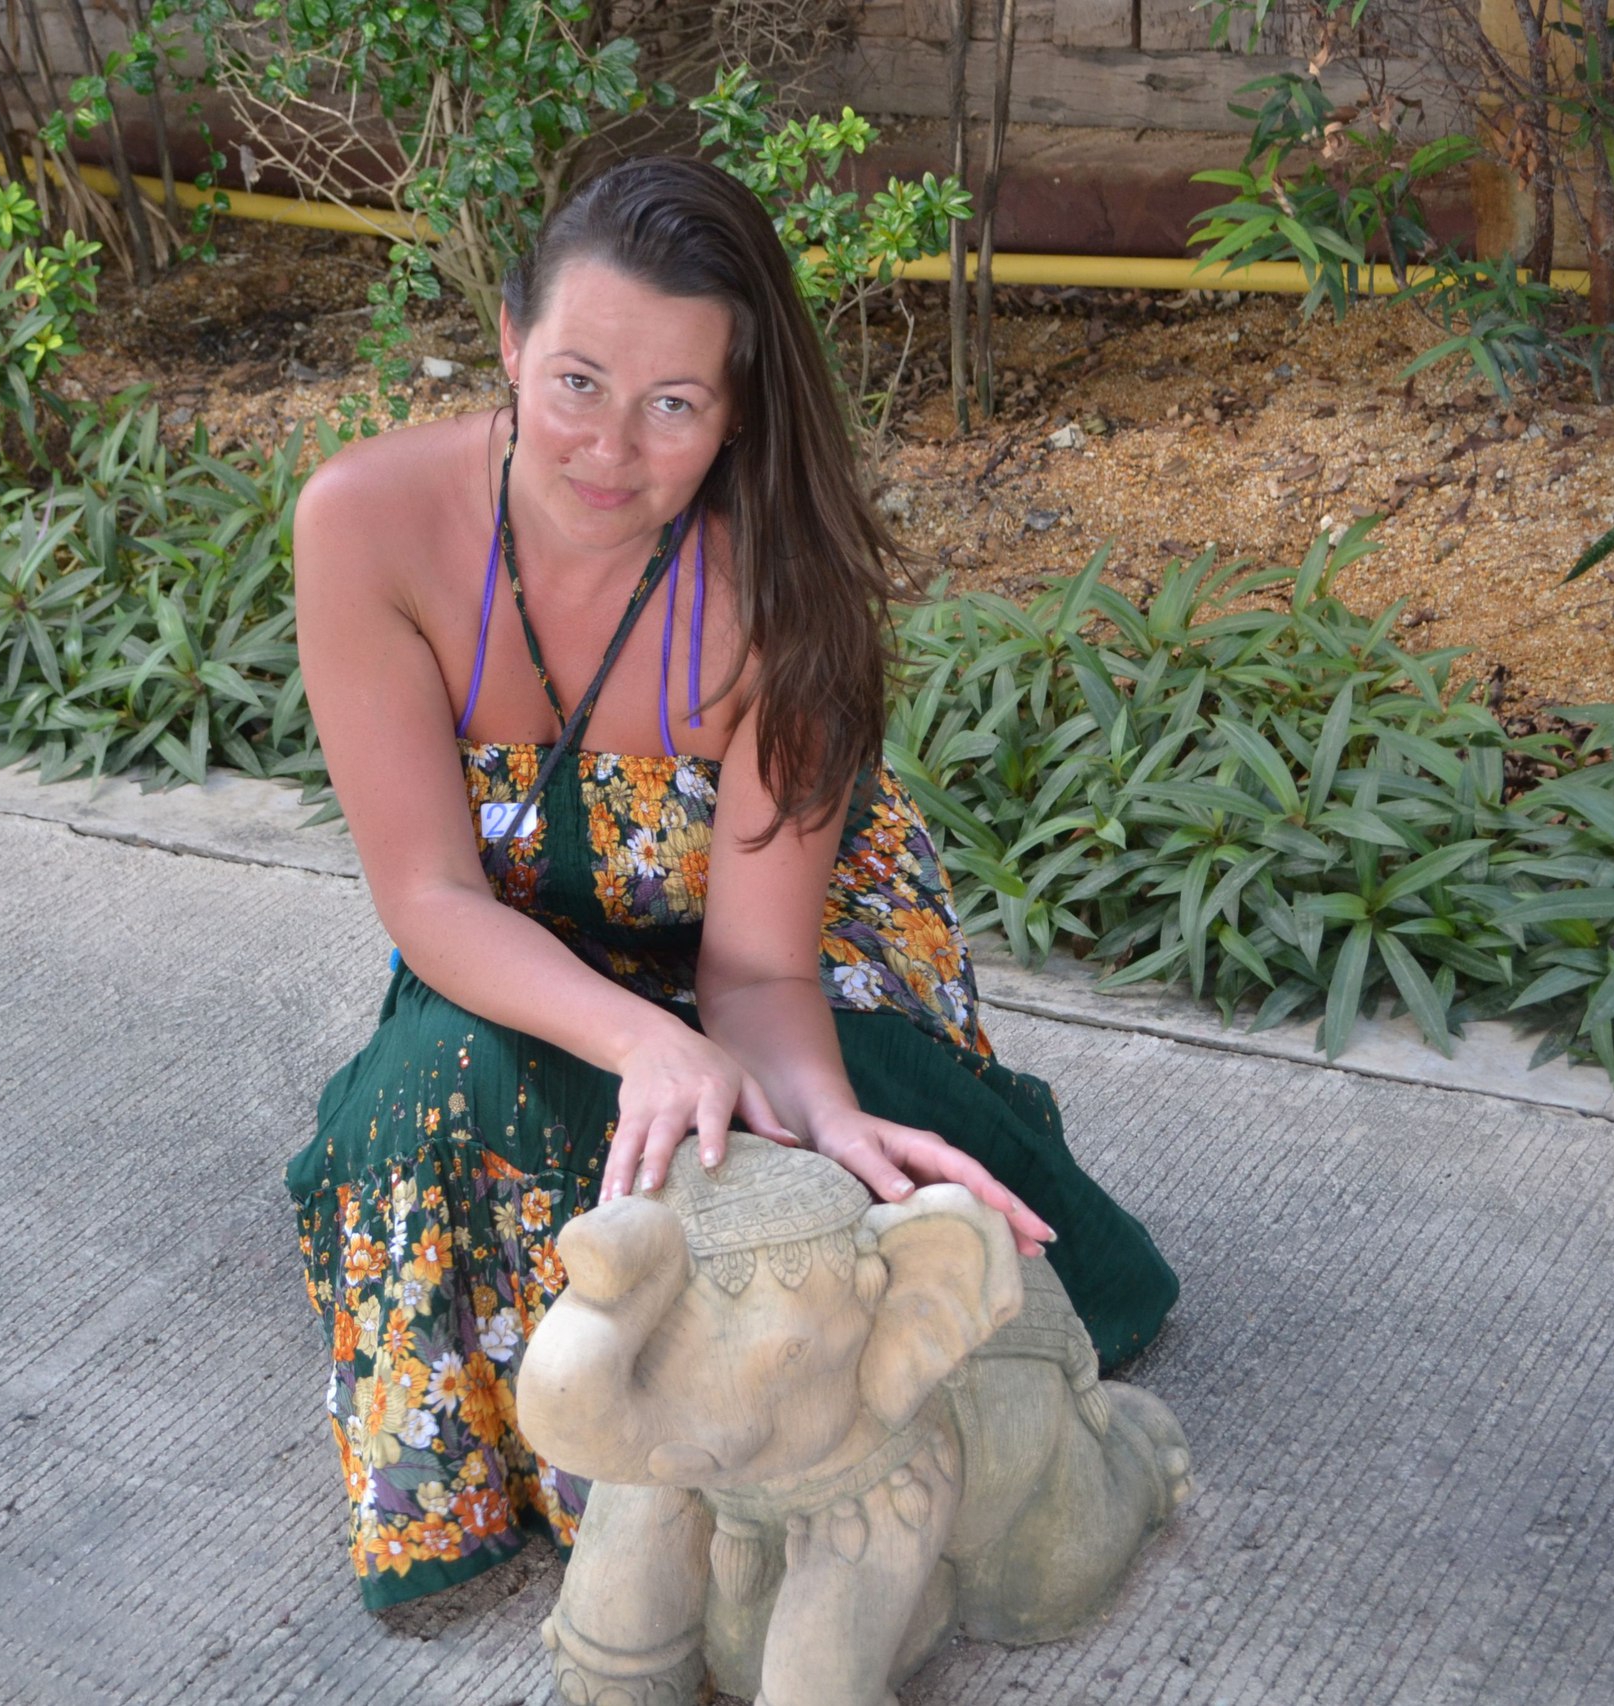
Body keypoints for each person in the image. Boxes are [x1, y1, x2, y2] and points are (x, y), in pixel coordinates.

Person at [284, 156, 1178, 1611]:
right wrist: (644, 1040)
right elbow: (433, 896)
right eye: (574, 379)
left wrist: (818, 1118)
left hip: (787, 959)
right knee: (425, 1092)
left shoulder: (785, 590)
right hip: (521, 948)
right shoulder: (365, 522)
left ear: (739, 408)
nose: (607, 449)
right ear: (509, 337)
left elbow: (756, 971)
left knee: (819, 1178)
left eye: (674, 406)